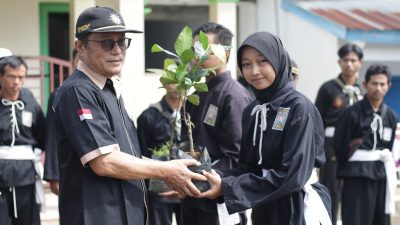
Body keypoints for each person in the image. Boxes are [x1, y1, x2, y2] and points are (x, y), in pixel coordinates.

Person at [52, 6, 205, 225]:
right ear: (80, 46)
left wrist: (170, 173)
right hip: (98, 216)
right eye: (107, 43)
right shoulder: (78, 91)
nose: (117, 50)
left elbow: (125, 155)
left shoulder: (108, 88)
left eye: (122, 42)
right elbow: (105, 162)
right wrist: (165, 170)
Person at [198, 31, 332, 225]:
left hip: (297, 206)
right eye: (246, 64)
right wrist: (207, 179)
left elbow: (292, 175)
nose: (254, 71)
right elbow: (248, 167)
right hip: (265, 204)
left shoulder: (299, 108)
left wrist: (229, 188)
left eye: (262, 62)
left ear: (278, 61)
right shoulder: (252, 110)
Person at [180, 22, 253, 225]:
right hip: (192, 196)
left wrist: (196, 174)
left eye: (205, 50)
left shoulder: (233, 96)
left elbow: (237, 157)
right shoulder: (194, 96)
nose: (197, 57)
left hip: (219, 200)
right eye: (195, 50)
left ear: (225, 54)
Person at [333, 64, 397, 225]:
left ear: (388, 86)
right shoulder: (351, 113)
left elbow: (388, 147)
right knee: (356, 220)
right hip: (356, 176)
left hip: (381, 175)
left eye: (382, 84)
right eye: (374, 83)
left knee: (380, 220)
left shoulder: (390, 115)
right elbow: (339, 145)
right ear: (365, 84)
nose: (378, 88)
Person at [315, 43, 364, 224]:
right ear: (339, 61)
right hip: (332, 147)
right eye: (345, 60)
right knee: (332, 191)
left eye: (353, 60)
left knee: (354, 192)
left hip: (356, 148)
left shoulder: (362, 90)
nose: (349, 64)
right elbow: (317, 120)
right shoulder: (328, 88)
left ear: (360, 63)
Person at [0, 56, 46, 225]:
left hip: (26, 173)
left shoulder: (31, 103)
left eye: (21, 77)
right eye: (12, 76)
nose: (17, 82)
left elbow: (43, 135)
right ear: (1, 77)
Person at [137, 83, 183, 225]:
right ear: (164, 82)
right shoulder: (148, 116)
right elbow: (140, 155)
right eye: (173, 79)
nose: (178, 85)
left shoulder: (194, 113)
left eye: (182, 79)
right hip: (159, 190)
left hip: (189, 188)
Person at [43, 48, 79, 195]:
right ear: (73, 63)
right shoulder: (59, 94)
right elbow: (52, 136)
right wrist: (54, 176)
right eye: (80, 61)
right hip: (70, 167)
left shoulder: (109, 92)